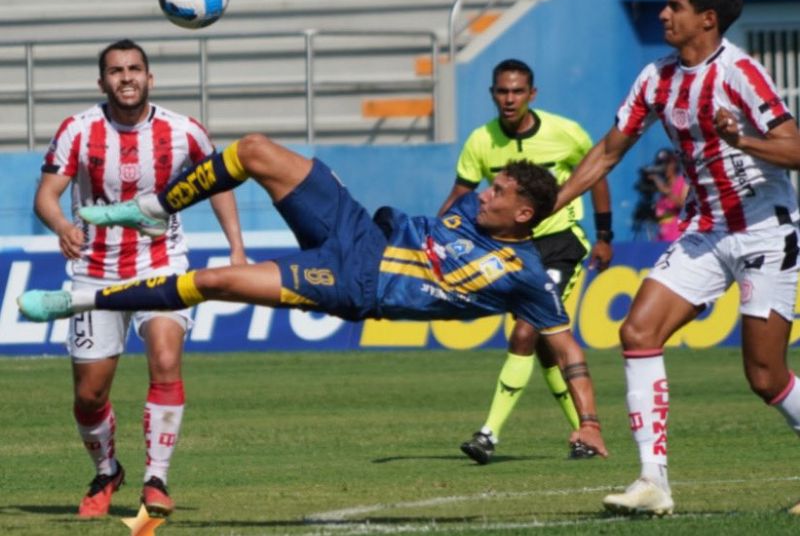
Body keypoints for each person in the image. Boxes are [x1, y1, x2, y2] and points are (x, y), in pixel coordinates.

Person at [19, 132, 610, 463]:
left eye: (499, 190)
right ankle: (149, 210)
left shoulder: (526, 275)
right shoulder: (473, 219)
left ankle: (78, 303)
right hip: (356, 228)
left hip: (356, 285)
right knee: (253, 149)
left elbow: (566, 344)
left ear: (524, 213)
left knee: (216, 279)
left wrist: (589, 421)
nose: (484, 192)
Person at [551, 0, 800, 516]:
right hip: (705, 231)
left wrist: (743, 140)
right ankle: (652, 481)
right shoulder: (656, 78)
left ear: (707, 19)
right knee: (637, 329)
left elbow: (795, 148)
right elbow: (609, 151)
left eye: (675, 6)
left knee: (765, 376)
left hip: (763, 230)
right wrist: (555, 200)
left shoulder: (741, 73)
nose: (664, 15)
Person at [33, 39, 246, 517]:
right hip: (94, 275)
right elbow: (46, 195)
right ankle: (108, 470)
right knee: (90, 394)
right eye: (115, 71)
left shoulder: (183, 131)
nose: (125, 77)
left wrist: (236, 246)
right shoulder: (78, 130)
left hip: (162, 265)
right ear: (102, 81)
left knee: (166, 359)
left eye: (134, 69)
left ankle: (157, 480)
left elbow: (220, 183)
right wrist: (63, 225)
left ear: (150, 78)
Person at [438, 59, 613, 463]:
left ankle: (488, 435)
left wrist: (604, 235)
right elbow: (459, 195)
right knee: (545, 346)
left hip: (559, 246)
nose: (510, 98)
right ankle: (586, 436)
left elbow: (596, 177)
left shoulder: (565, 133)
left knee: (524, 333)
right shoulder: (481, 141)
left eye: (518, 91)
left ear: (532, 94)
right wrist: (436, 236)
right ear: (492, 94)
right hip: (513, 251)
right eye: (502, 91)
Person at [650, 149, 688, 242]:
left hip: (678, 238)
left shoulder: (683, 181)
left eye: (667, 164)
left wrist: (666, 192)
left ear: (674, 163)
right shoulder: (661, 189)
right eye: (661, 164)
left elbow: (684, 204)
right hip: (662, 240)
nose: (665, 167)